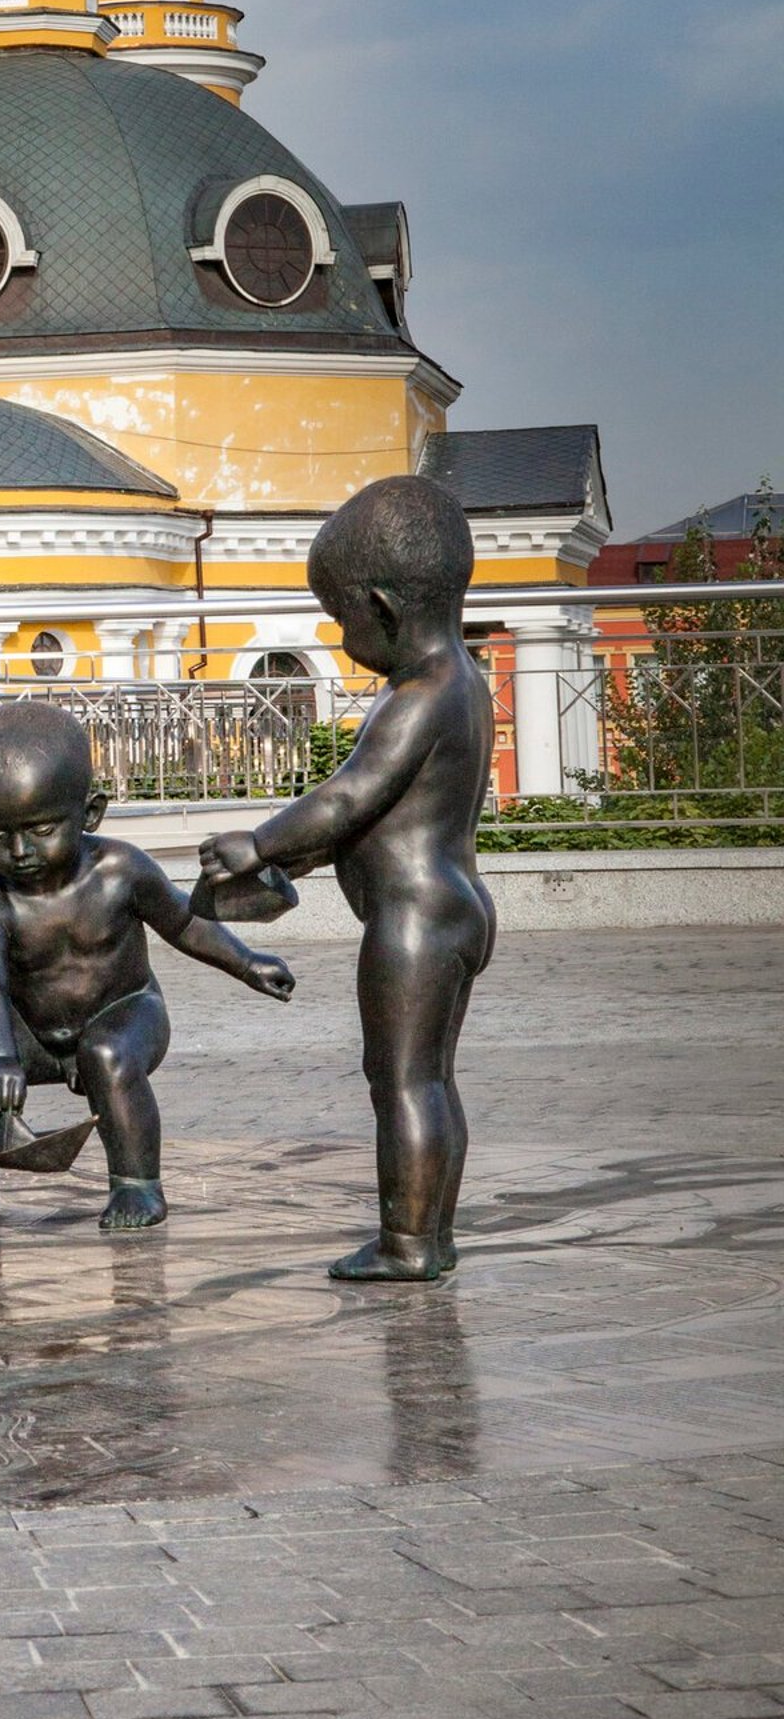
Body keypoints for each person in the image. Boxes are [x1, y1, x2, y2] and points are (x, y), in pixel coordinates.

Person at [201, 474, 493, 1283]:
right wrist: (294, 860)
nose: (339, 639)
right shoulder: (466, 682)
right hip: (456, 907)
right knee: (429, 1078)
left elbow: (348, 798)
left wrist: (258, 844)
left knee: (400, 1080)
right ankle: (431, 1232)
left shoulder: (416, 697)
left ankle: (406, 1243)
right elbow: (379, 818)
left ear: (382, 608)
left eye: (340, 620)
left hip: (412, 919)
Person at [0, 701, 296, 1234]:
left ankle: (136, 1184)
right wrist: (0, 1054)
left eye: (41, 829)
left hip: (126, 1013)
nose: (19, 850)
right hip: (32, 1033)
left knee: (106, 1053)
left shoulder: (121, 870)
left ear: (91, 813)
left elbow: (185, 923)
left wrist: (247, 963)